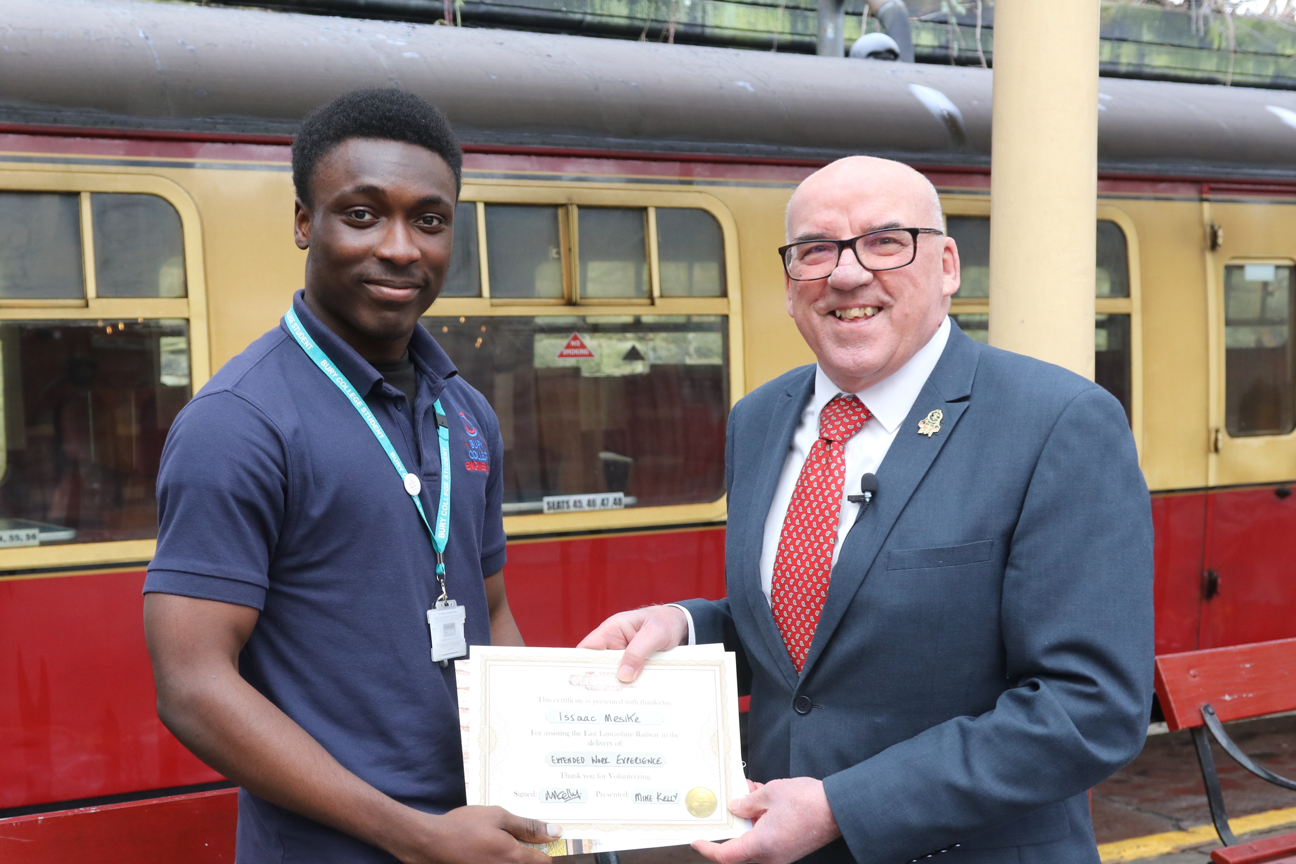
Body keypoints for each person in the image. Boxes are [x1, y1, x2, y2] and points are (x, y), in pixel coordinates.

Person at [579, 156, 1154, 864]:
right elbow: (815, 635)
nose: (846, 274)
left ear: (947, 265)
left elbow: (1089, 707)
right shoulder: (759, 419)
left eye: (886, 241)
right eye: (815, 250)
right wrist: (688, 627)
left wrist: (841, 809)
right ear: (790, 286)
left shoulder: (1058, 422)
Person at [142, 89, 559, 864]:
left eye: (429, 221)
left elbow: (489, 613)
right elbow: (193, 686)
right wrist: (417, 839)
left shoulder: (465, 412)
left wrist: (548, 775)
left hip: (473, 838)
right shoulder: (238, 422)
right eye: (362, 214)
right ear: (305, 222)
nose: (401, 248)